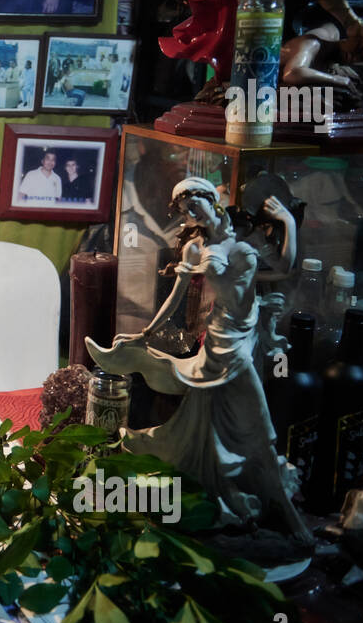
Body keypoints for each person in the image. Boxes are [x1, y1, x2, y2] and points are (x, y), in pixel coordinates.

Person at [85, 178, 312, 541]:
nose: (192, 215)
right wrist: (145, 335)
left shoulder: (245, 239)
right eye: (185, 210)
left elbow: (284, 267)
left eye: (196, 205)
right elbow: (174, 299)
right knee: (254, 428)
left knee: (228, 428)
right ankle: (261, 509)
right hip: (222, 346)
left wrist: (287, 223)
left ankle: (245, 503)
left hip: (245, 338)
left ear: (212, 200)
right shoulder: (195, 248)